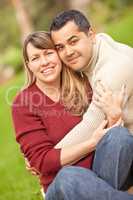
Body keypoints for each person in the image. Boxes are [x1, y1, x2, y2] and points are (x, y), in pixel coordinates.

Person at [11, 31, 133, 200]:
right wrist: (91, 143)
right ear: (29, 65)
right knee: (70, 176)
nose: (44, 62)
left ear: (59, 55)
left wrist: (113, 117)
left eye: (48, 53)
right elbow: (42, 162)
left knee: (120, 136)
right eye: (36, 58)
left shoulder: (83, 84)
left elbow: (103, 130)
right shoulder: (23, 103)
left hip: (103, 174)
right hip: (61, 184)